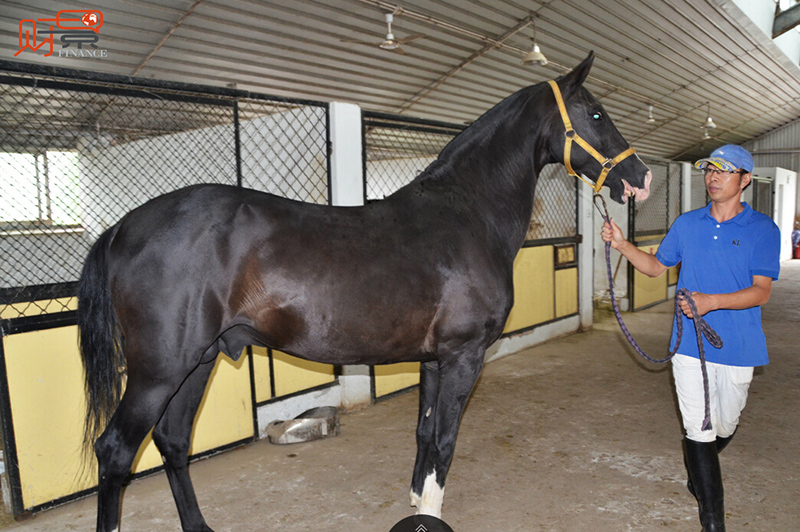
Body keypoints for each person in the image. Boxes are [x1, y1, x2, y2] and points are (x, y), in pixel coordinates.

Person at [601, 145, 780, 532]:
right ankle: (713, 522)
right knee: (698, 428)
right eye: (709, 171)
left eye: (724, 171)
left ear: (745, 180)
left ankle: (701, 470)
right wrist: (621, 243)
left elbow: (761, 291)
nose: (713, 178)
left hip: (738, 346)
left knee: (725, 425)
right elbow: (654, 267)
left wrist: (711, 302)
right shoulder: (687, 224)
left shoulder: (763, 230)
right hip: (687, 345)